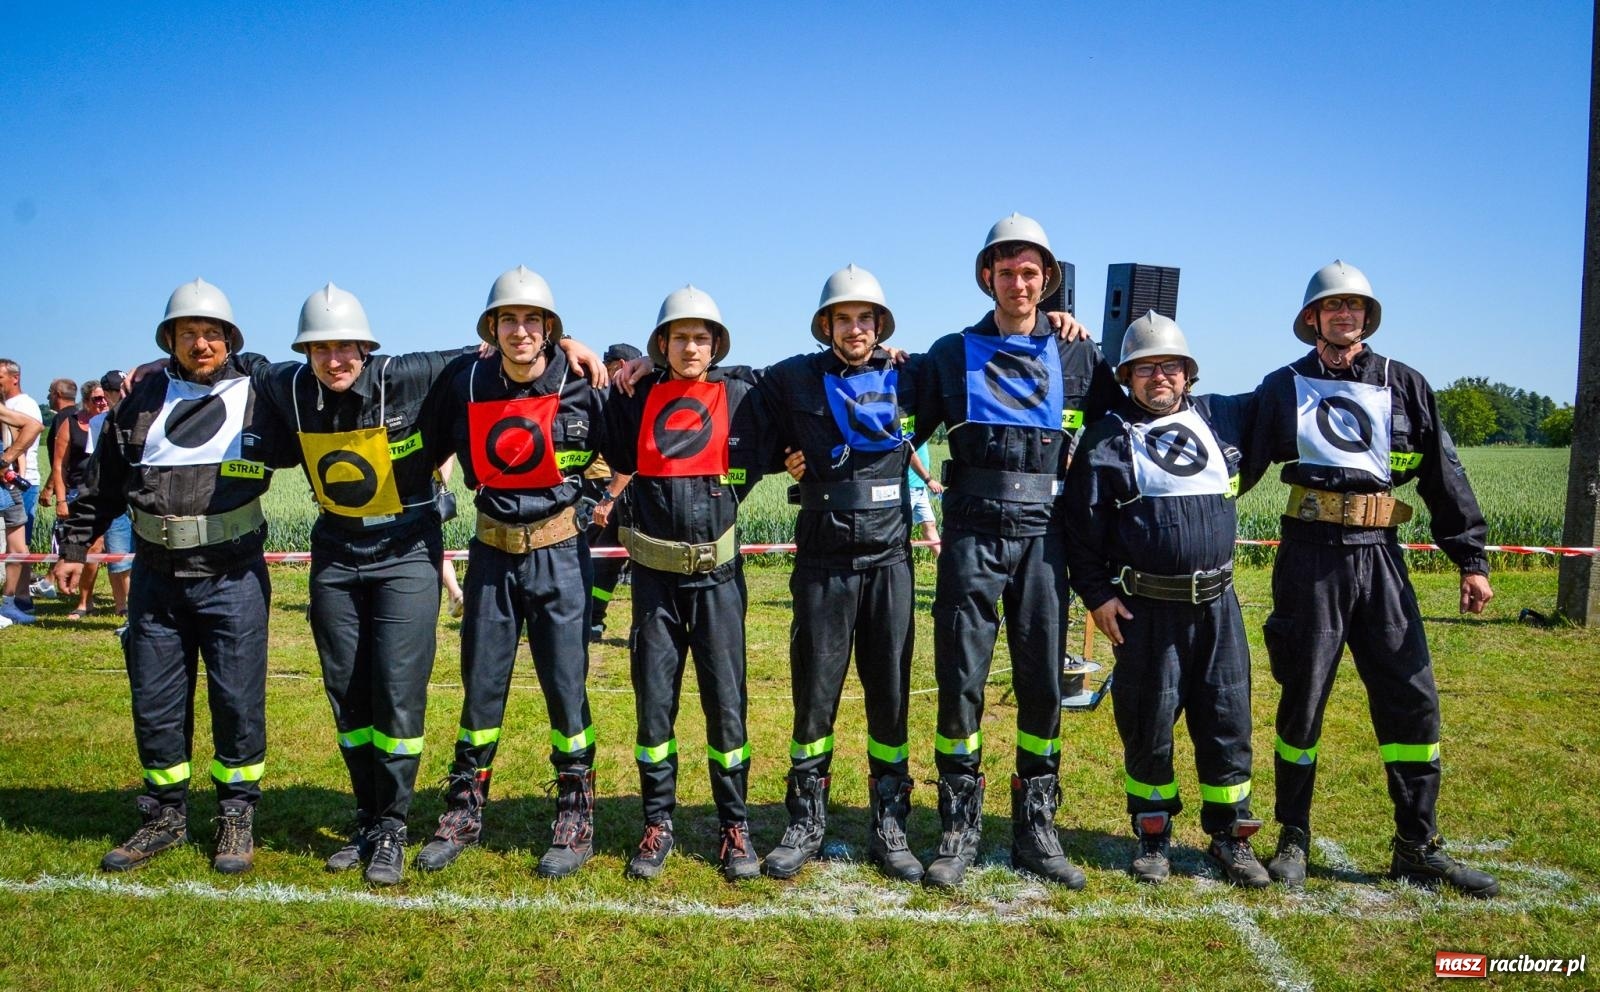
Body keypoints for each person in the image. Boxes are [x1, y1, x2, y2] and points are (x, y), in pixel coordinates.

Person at [1242, 260, 1499, 897]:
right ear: (1311, 319)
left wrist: (1471, 559)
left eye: (1355, 306)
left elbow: (1444, 475)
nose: (1345, 314)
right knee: (1302, 699)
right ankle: (1292, 839)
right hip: (1309, 559)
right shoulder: (1282, 387)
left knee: (1412, 698)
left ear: (1368, 317)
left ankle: (1418, 844)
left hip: (1382, 556)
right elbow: (1234, 464)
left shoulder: (1404, 384)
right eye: (1332, 306)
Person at [240, 283, 481, 885]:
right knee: (347, 692)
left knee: (398, 691)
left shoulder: (411, 374)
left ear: (368, 348)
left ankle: (395, 825)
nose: (335, 360)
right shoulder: (291, 386)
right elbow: (247, 364)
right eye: (321, 350)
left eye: (347, 348)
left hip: (405, 551)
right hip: (337, 554)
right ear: (306, 353)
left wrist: (572, 343)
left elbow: (490, 347)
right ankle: (368, 816)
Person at [53, 278, 294, 874]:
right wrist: (76, 545)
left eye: (213, 333)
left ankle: (236, 812)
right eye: (189, 333)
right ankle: (164, 813)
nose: (202, 343)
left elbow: (323, 381)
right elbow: (102, 483)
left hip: (232, 577)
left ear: (231, 339)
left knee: (237, 701)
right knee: (156, 702)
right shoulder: (137, 401)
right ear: (169, 340)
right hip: (156, 580)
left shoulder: (259, 389)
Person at [910, 214, 1121, 889]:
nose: (1019, 283)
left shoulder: (1079, 357)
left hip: (1046, 539)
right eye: (1007, 272)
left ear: (1048, 281)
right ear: (987, 278)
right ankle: (959, 826)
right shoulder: (949, 352)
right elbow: (889, 416)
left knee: (1040, 685)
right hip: (972, 531)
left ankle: (1037, 827)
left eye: (1031, 273)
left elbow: (1133, 425)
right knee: (961, 681)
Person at [1063, 311, 1267, 886]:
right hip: (1145, 611)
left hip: (1218, 608)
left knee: (1227, 720)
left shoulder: (1219, 419)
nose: (1160, 377)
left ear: (1188, 372)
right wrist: (1098, 596)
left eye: (1171, 366)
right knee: (1149, 724)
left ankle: (1232, 835)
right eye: (1146, 368)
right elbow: (1080, 529)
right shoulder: (1107, 436)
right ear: (1127, 376)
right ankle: (1153, 836)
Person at [418, 265, 607, 879]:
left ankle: (575, 812)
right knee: (482, 684)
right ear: (492, 329)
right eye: (508, 320)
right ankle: (463, 811)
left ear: (551, 328)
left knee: (565, 685)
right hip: (491, 556)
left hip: (561, 558)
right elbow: (420, 434)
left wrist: (597, 501)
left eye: (533, 320)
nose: (520, 331)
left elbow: (627, 439)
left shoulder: (582, 379)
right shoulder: (465, 380)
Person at [753, 265, 923, 882]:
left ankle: (891, 819)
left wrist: (1062, 329)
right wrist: (782, 459)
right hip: (823, 561)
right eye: (843, 318)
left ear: (880, 326)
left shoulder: (913, 376)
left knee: (891, 696)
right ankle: (805, 819)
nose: (855, 329)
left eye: (866, 319)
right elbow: (733, 396)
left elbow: (980, 369)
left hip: (890, 563)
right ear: (826, 325)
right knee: (814, 697)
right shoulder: (793, 376)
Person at [603, 286, 765, 882]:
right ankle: (657, 821)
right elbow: (578, 386)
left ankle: (734, 824)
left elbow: (792, 382)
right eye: (679, 337)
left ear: (716, 345)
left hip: (718, 580)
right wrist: (582, 346)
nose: (690, 347)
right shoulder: (636, 394)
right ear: (661, 345)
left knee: (727, 707)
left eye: (701, 337)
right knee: (654, 708)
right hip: (653, 583)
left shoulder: (741, 391)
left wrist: (890, 358)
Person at [585, 342, 641, 642]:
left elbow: (629, 461)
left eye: (608, 367)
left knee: (639, 562)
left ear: (620, 365)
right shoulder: (617, 399)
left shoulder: (634, 399)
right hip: (626, 498)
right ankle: (593, 619)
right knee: (606, 558)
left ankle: (639, 628)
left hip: (634, 497)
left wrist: (608, 498)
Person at [50, 379, 111, 619]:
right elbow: (58, 465)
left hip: (111, 493)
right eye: (97, 398)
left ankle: (123, 605)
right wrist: (61, 499)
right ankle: (85, 602)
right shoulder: (71, 423)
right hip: (79, 492)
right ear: (85, 401)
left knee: (118, 552)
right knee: (91, 546)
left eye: (105, 397)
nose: (103, 402)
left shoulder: (113, 423)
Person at [0, 359, 44, 623]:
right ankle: (11, 603)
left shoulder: (11, 408)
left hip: (7, 483)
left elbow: (34, 427)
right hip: (8, 481)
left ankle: (11, 602)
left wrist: (7, 460)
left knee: (18, 542)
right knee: (18, 541)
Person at [28, 378, 77, 603]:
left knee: (64, 537)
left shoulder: (62, 419)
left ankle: (50, 581)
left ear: (57, 393)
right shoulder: (76, 416)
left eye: (49, 392)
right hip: (72, 486)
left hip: (67, 489)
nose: (47, 396)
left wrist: (50, 489)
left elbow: (59, 461)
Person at [907, 442, 942, 556]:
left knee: (929, 525)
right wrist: (929, 480)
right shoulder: (910, 433)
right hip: (908, 487)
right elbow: (911, 454)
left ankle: (943, 563)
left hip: (920, 488)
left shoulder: (922, 429)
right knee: (899, 529)